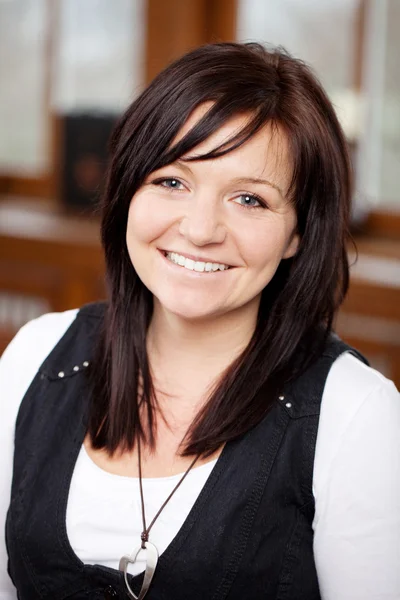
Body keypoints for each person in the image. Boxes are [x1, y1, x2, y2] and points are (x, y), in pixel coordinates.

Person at [1, 42, 399, 600]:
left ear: (297, 234)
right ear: (127, 190)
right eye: (172, 182)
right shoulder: (37, 356)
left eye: (250, 200)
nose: (201, 229)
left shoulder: (353, 412)